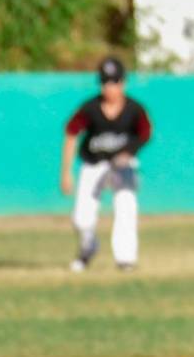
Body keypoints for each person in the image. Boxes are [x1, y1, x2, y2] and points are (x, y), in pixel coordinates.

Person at [60, 55, 153, 273]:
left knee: (126, 206)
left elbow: (146, 132)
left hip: (122, 166)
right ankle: (88, 247)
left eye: (114, 82)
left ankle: (125, 259)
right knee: (82, 217)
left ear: (123, 83)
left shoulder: (134, 109)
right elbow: (71, 133)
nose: (109, 87)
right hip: (93, 164)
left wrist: (129, 152)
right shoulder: (90, 108)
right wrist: (66, 172)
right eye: (105, 82)